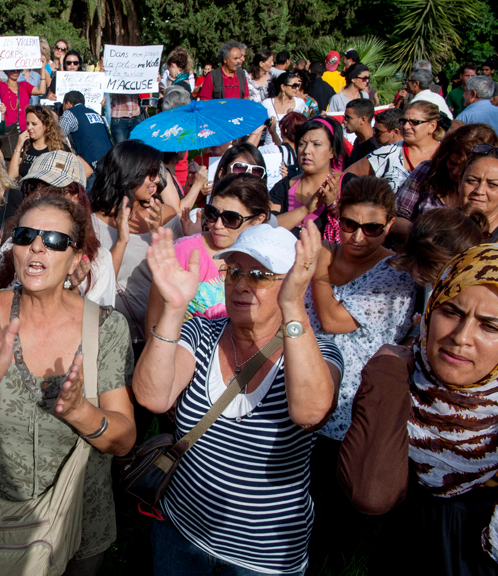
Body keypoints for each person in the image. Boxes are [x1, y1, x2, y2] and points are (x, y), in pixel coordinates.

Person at [0, 192, 136, 575]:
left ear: (77, 258)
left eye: (54, 240)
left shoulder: (107, 327)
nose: (37, 247)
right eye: (27, 235)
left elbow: (124, 439)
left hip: (79, 510)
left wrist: (81, 412)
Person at [134, 222, 342, 576]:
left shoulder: (317, 351)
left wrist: (293, 307)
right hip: (181, 532)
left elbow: (310, 413)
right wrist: (172, 309)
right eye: (234, 272)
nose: (242, 285)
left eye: (260, 275)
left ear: (289, 282)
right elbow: (153, 397)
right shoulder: (200, 332)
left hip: (264, 557)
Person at [337, 244, 498, 574]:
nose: (461, 337)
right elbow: (371, 493)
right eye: (451, 311)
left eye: (490, 326)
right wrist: (386, 373)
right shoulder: (399, 377)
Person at [302, 177, 416, 564]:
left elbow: (333, 319)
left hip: (348, 413)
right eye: (349, 224)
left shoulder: (396, 276)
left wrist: (318, 270)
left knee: (333, 513)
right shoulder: (324, 252)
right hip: (299, 397)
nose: (357, 236)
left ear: (388, 226)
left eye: (371, 228)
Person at [90, 140, 179, 356]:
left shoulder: (167, 215)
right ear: (129, 173)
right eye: (149, 173)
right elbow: (99, 283)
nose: (156, 179)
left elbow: (175, 276)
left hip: (156, 336)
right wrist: (121, 241)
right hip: (110, 336)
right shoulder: (93, 222)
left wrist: (158, 234)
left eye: (156, 172)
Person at [0, 150, 117, 306]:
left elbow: (98, 324)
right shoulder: (14, 245)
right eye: (34, 188)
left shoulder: (99, 261)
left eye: (53, 190)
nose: (42, 197)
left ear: (77, 197)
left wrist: (71, 290)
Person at [169, 173, 271, 321]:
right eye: (212, 214)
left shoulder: (271, 259)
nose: (217, 225)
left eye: (230, 218)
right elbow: (157, 319)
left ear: (258, 220)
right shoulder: (183, 251)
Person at [392, 123, 498, 241]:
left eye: (463, 167)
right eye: (452, 163)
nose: (456, 172)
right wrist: (427, 237)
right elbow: (396, 217)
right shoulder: (428, 171)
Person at [271, 118, 348, 238]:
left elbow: (357, 231)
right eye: (302, 144)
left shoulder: (348, 184)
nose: (306, 151)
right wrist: (305, 209)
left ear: (332, 151)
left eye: (316, 144)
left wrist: (332, 206)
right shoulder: (283, 187)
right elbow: (268, 229)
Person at [346, 101, 444, 192]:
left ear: (432, 126)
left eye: (414, 122)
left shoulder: (447, 154)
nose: (406, 126)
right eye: (404, 121)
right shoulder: (387, 153)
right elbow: (347, 176)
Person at [9, 105, 74, 179]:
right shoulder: (26, 145)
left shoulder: (59, 147)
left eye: (34, 124)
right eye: (28, 123)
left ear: (45, 125)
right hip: (27, 189)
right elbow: (12, 174)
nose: (29, 127)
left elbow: (64, 172)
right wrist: (19, 145)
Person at [0, 53, 48, 133]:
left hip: (25, 130)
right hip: (9, 130)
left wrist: (42, 68)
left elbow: (41, 90)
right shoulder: (1, 85)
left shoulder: (24, 85)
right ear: (6, 71)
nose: (16, 71)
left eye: (18, 69)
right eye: (12, 69)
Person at [60, 90, 114, 171]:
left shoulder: (70, 113)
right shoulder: (97, 114)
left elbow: (58, 135)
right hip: (110, 161)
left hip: (90, 164)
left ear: (67, 103)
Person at [459, 145, 498, 241]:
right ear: (459, 182)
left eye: (492, 184)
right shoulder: (438, 229)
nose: (479, 191)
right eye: (472, 181)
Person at [263, 72, 308, 144]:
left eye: (298, 86)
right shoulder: (267, 103)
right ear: (283, 87)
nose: (297, 88)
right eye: (294, 86)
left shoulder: (300, 103)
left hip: (289, 148)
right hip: (270, 147)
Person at [342, 98, 378, 167]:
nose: (343, 121)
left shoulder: (374, 147)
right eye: (344, 117)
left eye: (347, 118)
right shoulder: (358, 140)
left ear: (363, 120)